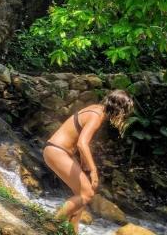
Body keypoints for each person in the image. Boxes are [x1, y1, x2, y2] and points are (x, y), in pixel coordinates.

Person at [43, 90, 135, 233]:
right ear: (119, 109)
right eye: (124, 112)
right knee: (87, 194)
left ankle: (72, 231)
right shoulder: (97, 116)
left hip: (59, 151)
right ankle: (51, 225)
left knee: (82, 193)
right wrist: (93, 170)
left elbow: (77, 139)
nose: (123, 117)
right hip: (57, 151)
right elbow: (82, 143)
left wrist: (84, 162)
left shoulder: (96, 109)